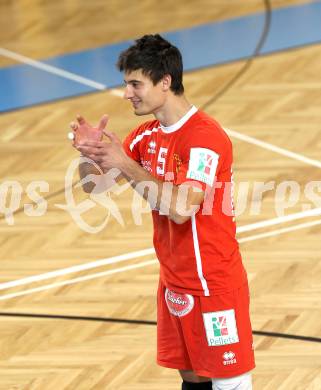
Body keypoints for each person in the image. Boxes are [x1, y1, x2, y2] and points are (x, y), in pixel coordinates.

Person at [70, 34, 255, 390]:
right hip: (175, 284)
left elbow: (182, 209)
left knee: (228, 384)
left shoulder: (205, 137)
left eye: (135, 83)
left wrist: (123, 161)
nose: (127, 94)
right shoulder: (145, 136)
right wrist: (88, 153)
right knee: (193, 380)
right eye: (126, 84)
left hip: (212, 286)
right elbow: (96, 186)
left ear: (165, 82)